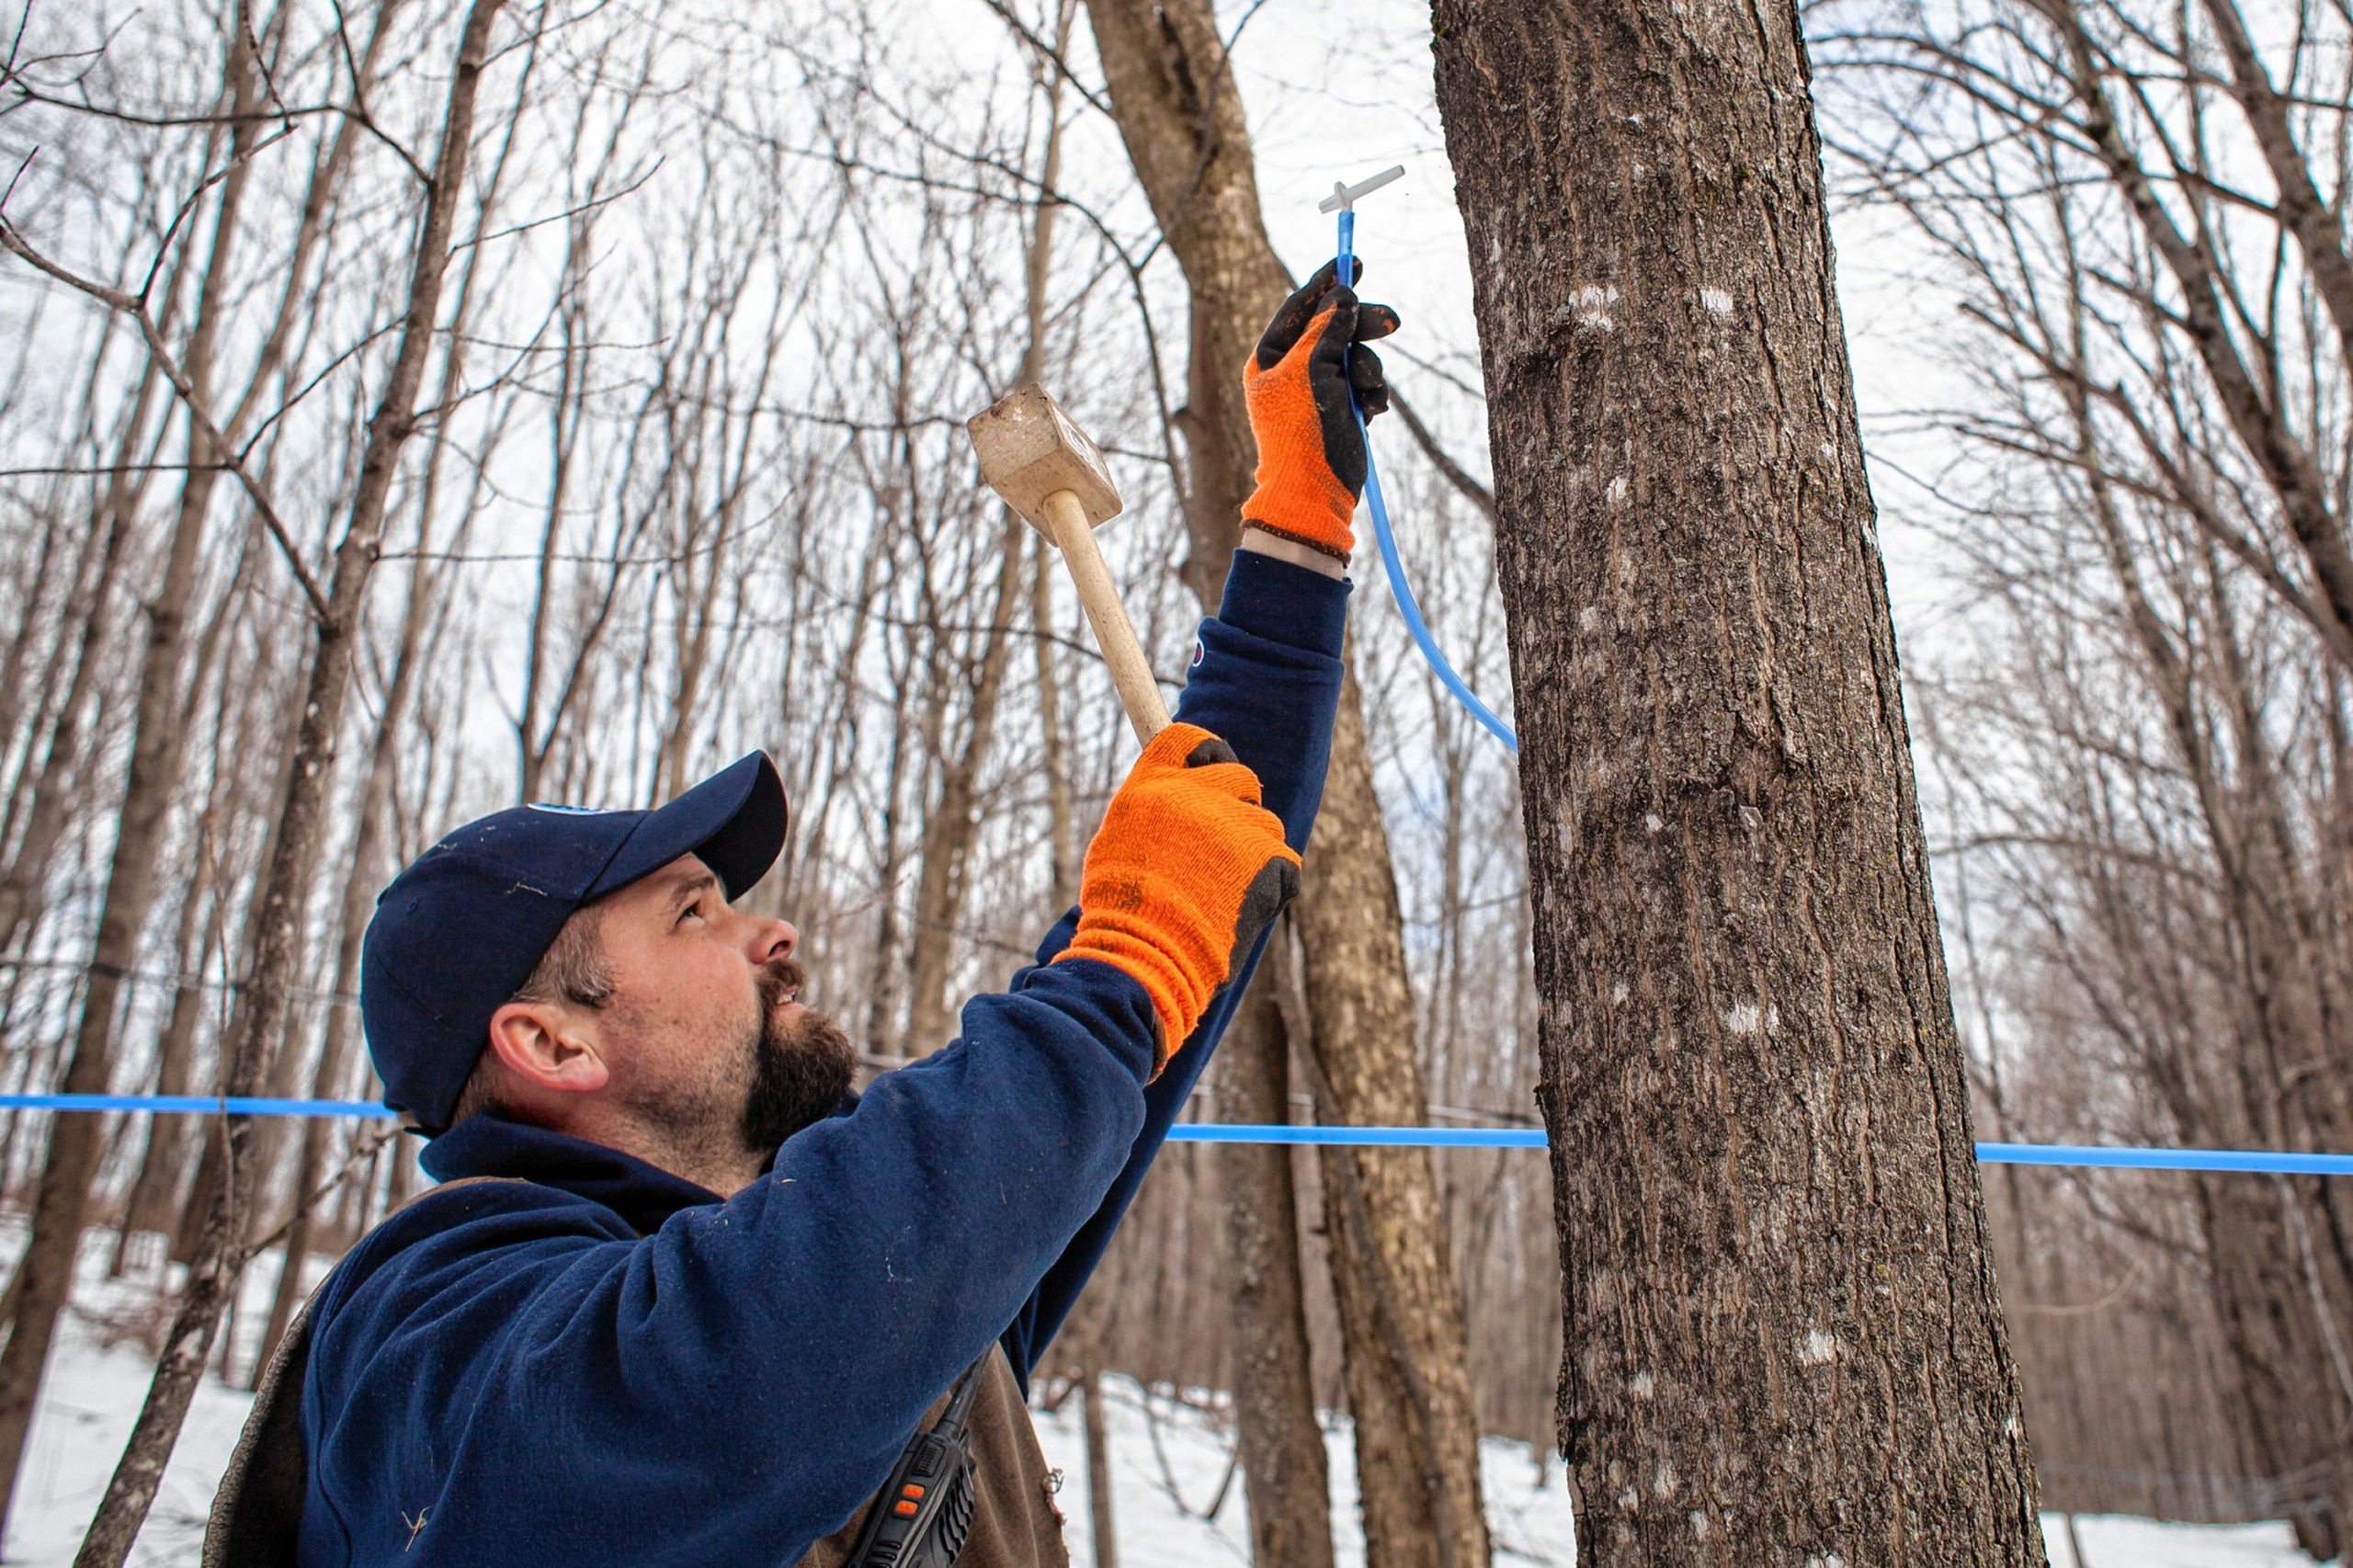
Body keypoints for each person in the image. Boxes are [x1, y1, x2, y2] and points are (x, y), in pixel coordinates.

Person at [214, 261, 1399, 1568]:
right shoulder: (430, 1325)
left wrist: (1297, 523)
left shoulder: (886, 1289)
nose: (769, 933)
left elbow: (1171, 956)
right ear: (551, 1042)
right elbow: (709, 1379)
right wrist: (1123, 968)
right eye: (692, 913)